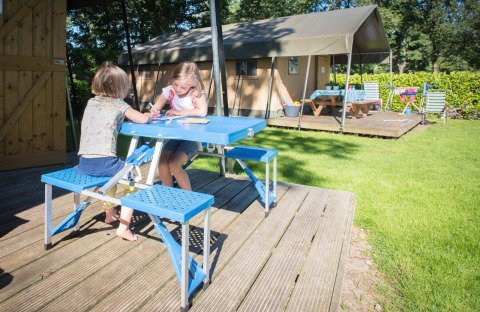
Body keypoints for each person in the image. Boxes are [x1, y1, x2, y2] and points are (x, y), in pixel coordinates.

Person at [75, 61, 152, 242]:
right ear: (118, 89)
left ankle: (109, 214)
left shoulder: (91, 102)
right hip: (104, 163)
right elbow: (141, 119)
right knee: (134, 182)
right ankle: (124, 228)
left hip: (84, 162)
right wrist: (148, 115)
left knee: (113, 179)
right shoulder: (118, 104)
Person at [152, 61, 208, 191]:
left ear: (193, 84)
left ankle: (188, 196)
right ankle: (169, 194)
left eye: (183, 87)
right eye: (176, 84)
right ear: (172, 78)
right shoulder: (169, 91)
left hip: (193, 136)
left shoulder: (196, 93)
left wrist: (180, 113)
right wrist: (151, 113)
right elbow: (155, 109)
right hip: (175, 136)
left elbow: (202, 111)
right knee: (162, 164)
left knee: (174, 164)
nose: (178, 89)